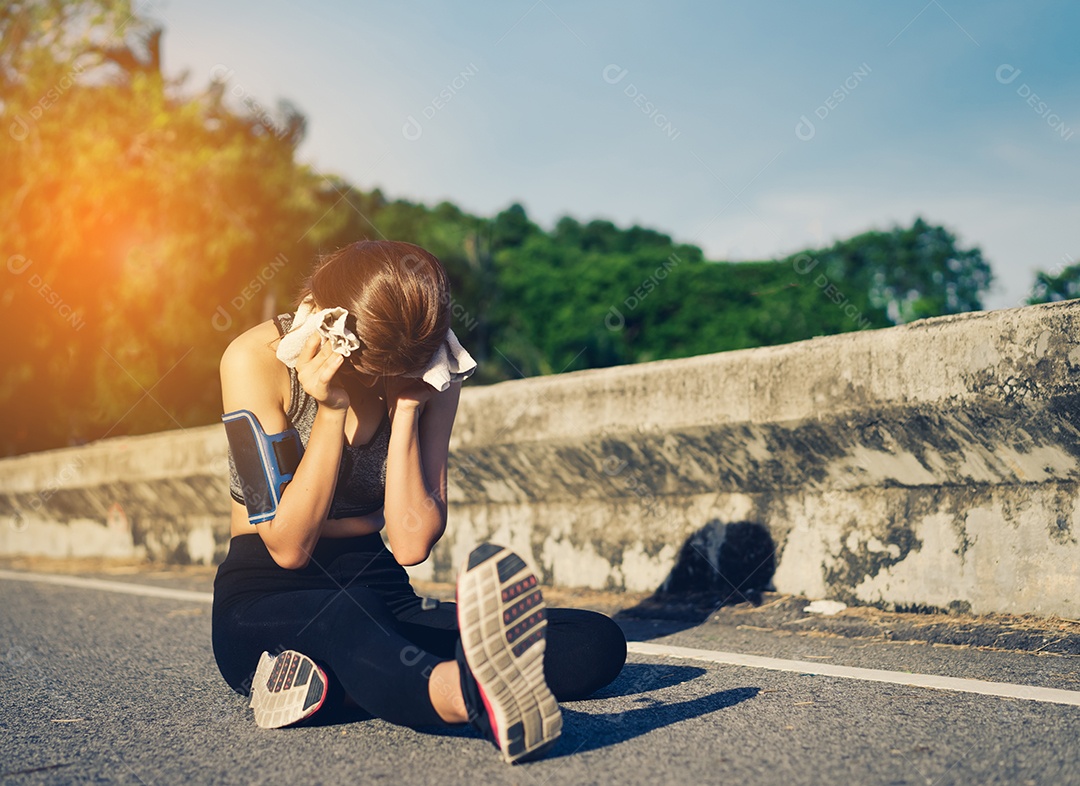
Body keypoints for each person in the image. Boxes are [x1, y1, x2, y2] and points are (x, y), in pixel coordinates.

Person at [212, 239, 626, 764]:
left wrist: (407, 408)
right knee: (351, 620)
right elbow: (288, 546)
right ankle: (470, 699)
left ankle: (332, 689)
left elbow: (409, 543)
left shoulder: (424, 364)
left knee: (593, 639)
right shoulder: (253, 360)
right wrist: (332, 410)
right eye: (374, 364)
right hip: (264, 598)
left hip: (378, 585)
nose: (384, 375)